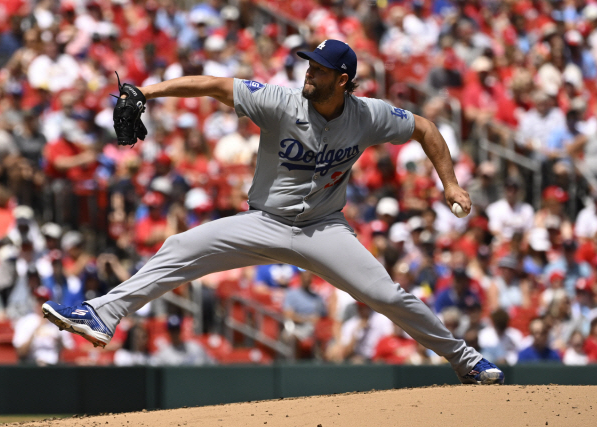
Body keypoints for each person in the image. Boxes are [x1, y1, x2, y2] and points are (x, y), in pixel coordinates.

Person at [43, 39, 504, 384]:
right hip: (265, 222)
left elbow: (424, 127)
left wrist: (451, 183)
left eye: (319, 68)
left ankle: (465, 361)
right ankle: (102, 315)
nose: (309, 72)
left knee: (387, 296)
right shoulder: (281, 102)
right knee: (181, 245)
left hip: (325, 229)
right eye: (309, 63)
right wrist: (149, 91)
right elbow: (213, 86)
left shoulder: (367, 115)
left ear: (341, 80)